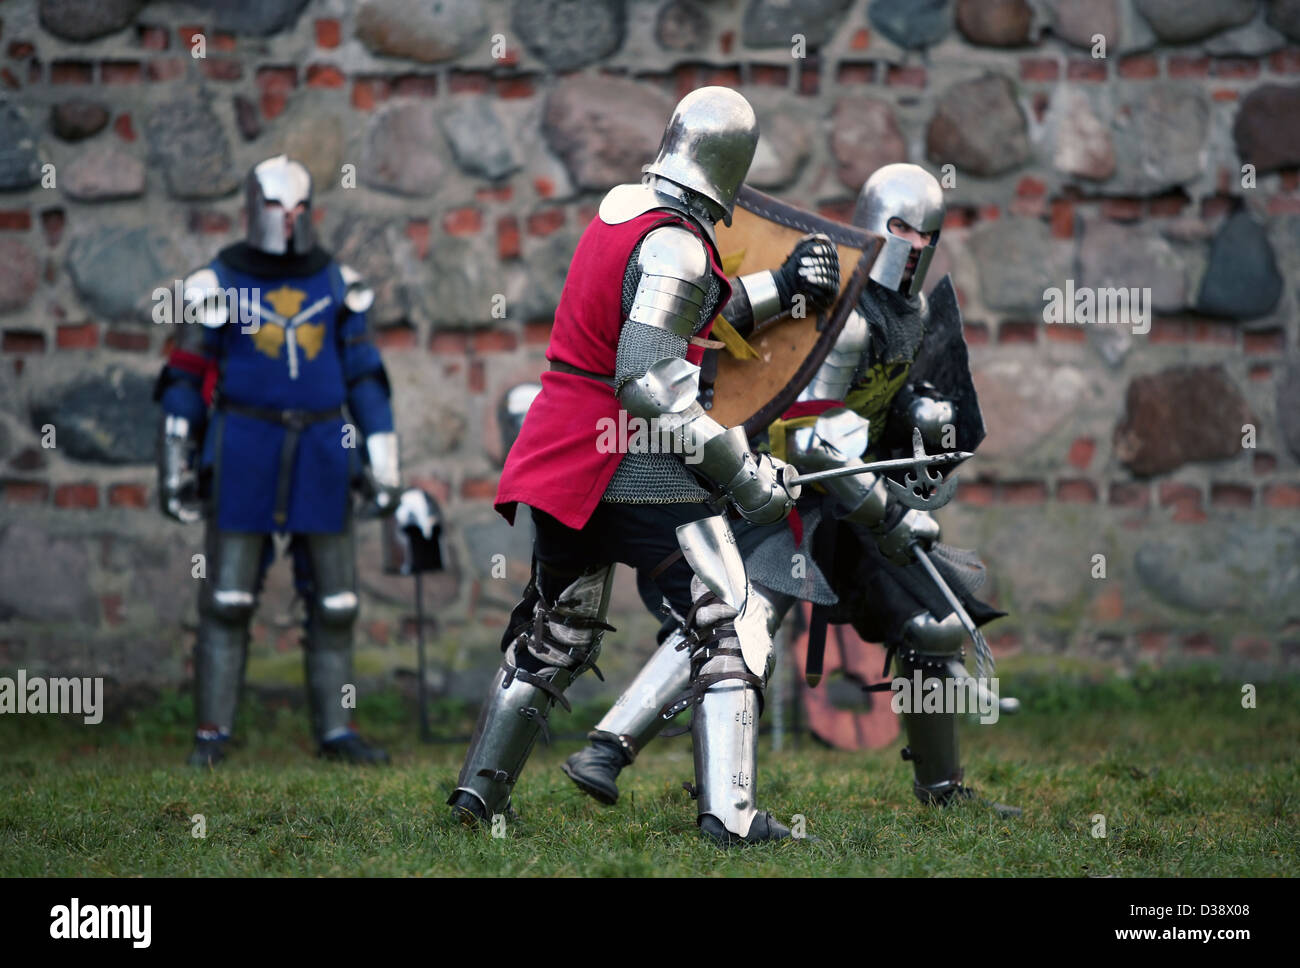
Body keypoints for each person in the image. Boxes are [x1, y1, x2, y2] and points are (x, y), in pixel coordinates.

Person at [563, 163, 1021, 817]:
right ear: (870, 225)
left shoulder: (913, 315)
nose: (915, 246)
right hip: (792, 499)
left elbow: (876, 418)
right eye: (900, 229)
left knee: (936, 623)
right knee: (738, 620)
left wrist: (921, 414)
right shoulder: (848, 312)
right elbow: (812, 431)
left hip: (856, 503)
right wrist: (887, 511)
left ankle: (943, 791)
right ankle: (609, 747)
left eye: (928, 235)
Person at [447, 87, 840, 846]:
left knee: (557, 631)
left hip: (567, 453)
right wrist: (745, 478)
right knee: (727, 617)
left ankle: (478, 799)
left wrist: (783, 290)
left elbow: (682, 320)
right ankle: (730, 816)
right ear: (731, 167)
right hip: (632, 458)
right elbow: (650, 380)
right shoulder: (679, 243)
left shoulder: (622, 215)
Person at [155, 155, 400, 767]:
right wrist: (173, 459)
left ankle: (337, 732)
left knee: (337, 602)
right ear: (252, 209)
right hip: (244, 447)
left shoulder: (339, 284)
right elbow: (184, 377)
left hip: (323, 449)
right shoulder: (215, 284)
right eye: (274, 208)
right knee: (228, 599)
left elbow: (366, 377)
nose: (287, 221)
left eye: (297, 209)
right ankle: (212, 733)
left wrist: (383, 455)